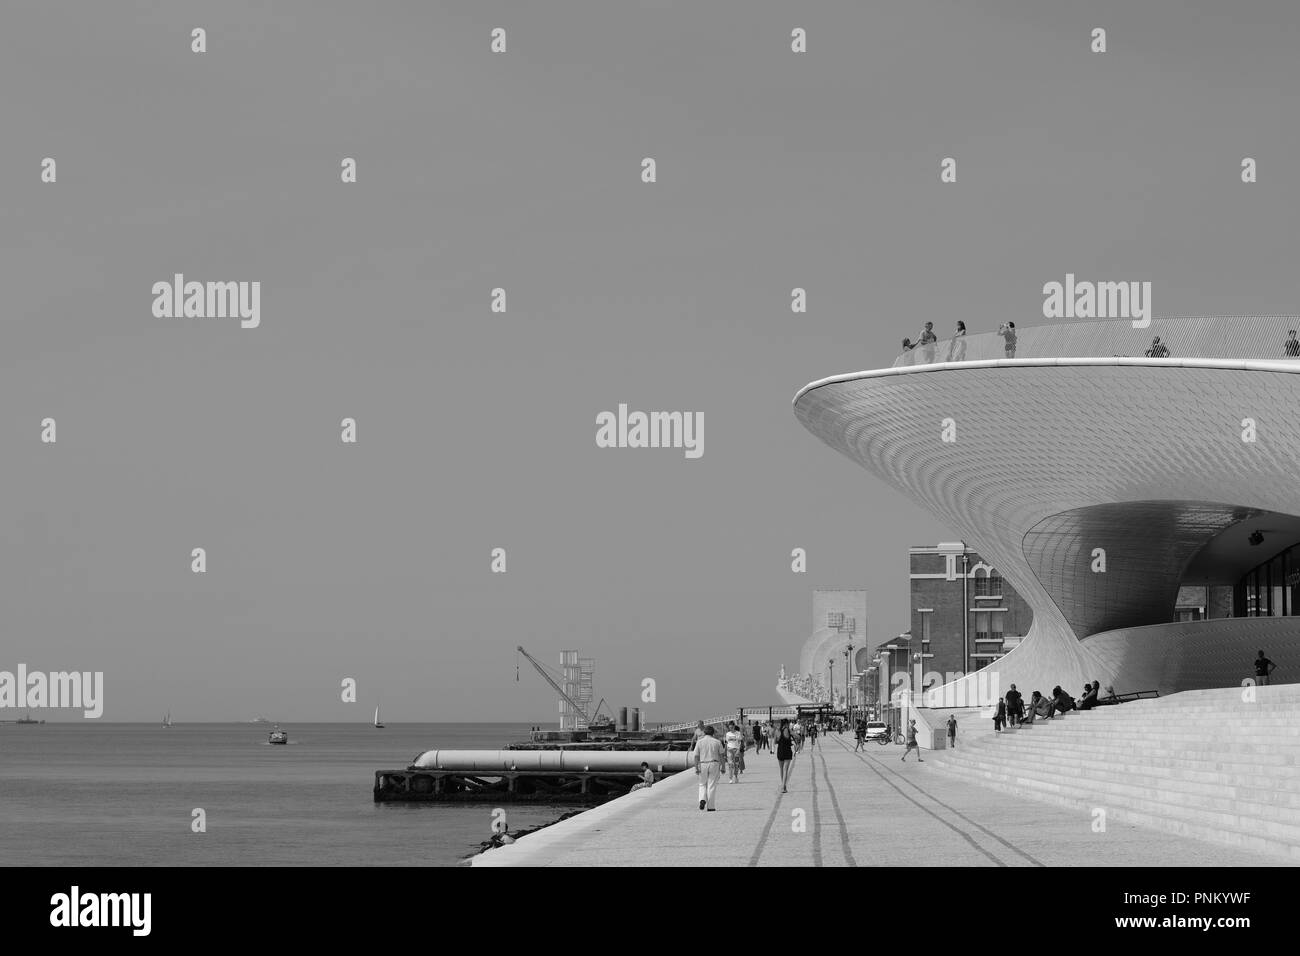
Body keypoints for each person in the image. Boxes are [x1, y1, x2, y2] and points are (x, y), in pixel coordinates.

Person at [694, 725, 726, 811]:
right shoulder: (717, 742)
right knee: (711, 785)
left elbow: (696, 756)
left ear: (704, 732)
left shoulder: (699, 742)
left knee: (702, 784)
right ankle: (711, 807)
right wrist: (723, 767)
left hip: (703, 763)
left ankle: (702, 799)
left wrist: (696, 767)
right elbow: (722, 755)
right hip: (714, 764)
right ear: (713, 733)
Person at [775, 719, 795, 794]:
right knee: (785, 769)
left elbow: (775, 741)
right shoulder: (788, 730)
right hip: (787, 751)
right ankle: (783, 787)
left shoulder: (777, 730)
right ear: (786, 723)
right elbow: (796, 736)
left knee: (781, 769)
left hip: (780, 751)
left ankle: (784, 786)